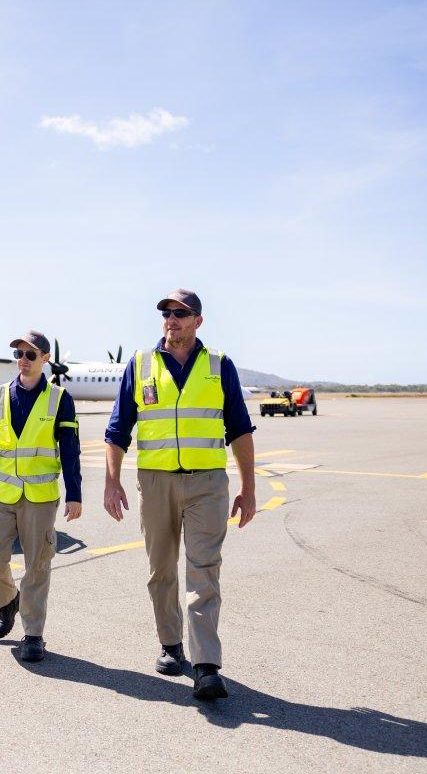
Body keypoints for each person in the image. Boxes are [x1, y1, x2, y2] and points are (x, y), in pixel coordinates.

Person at [103, 289, 256, 700]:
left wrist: (249, 487)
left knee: (204, 568)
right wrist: (111, 480)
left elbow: (240, 429)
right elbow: (118, 430)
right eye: (167, 313)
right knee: (161, 570)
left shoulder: (219, 366)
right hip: (155, 484)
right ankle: (171, 645)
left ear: (198, 322)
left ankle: (206, 665)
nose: (171, 319)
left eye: (181, 313)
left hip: (207, 483)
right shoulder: (141, 365)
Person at [0, 330, 83, 663]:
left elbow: (70, 449)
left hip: (40, 496)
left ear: (45, 359)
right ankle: (7, 602)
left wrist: (74, 494)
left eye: (31, 355)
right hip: (1, 494)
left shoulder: (60, 398)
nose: (23, 360)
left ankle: (33, 634)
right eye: (18, 354)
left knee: (38, 565)